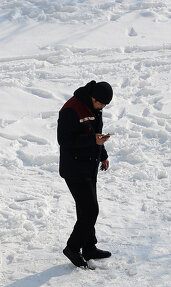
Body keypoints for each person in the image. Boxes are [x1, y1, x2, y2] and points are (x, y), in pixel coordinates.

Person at [58, 80, 113, 269]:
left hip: (89, 165)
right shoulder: (71, 109)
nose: (103, 107)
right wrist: (92, 140)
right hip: (74, 168)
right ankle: (72, 248)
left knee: (85, 209)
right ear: (92, 98)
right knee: (91, 210)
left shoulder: (94, 107)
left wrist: (103, 154)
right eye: (102, 104)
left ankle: (89, 247)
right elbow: (64, 141)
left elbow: (95, 133)